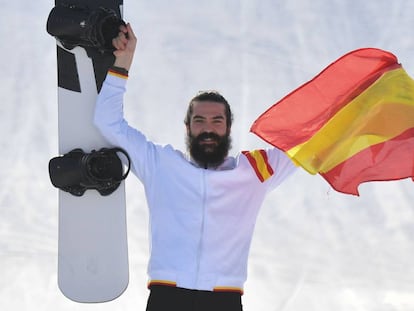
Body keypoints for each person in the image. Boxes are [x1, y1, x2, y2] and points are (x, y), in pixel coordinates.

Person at [94, 23, 296, 311]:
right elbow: (108, 123)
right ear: (187, 127)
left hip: (224, 299)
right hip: (167, 297)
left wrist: (364, 101)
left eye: (217, 121)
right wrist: (123, 62)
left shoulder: (253, 172)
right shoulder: (161, 165)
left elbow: (312, 143)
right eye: (199, 121)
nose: (208, 129)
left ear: (228, 127)